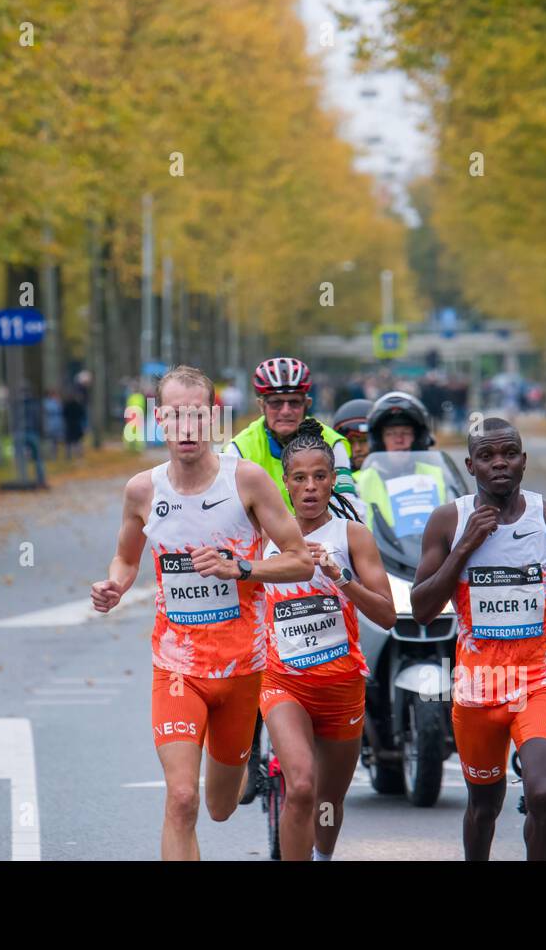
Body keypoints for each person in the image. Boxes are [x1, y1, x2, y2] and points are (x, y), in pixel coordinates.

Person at [90, 365, 314, 861]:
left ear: (213, 418)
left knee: (220, 804)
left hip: (243, 669)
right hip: (176, 668)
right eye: (174, 416)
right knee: (182, 798)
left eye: (196, 415)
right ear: (159, 420)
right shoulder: (142, 491)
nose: (186, 428)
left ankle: (236, 775)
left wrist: (244, 568)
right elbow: (126, 557)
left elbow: (299, 560)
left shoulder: (248, 481)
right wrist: (115, 586)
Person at [411, 418, 546, 860]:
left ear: (524, 461)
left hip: (538, 680)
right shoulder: (449, 521)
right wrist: (465, 546)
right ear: (471, 465)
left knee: (543, 794)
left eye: (508, 453)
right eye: (487, 456)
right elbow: (422, 609)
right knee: (484, 805)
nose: (499, 463)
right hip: (478, 689)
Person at [260, 419, 395, 860]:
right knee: (300, 784)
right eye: (300, 478)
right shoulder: (264, 539)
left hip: (341, 687)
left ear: (334, 479)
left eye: (320, 476)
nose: (311, 487)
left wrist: (342, 577)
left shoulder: (352, 536)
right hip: (284, 683)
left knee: (326, 801)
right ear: (285, 482)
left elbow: (387, 614)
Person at [225, 356, 356, 513]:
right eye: (276, 403)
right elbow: (231, 513)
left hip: (323, 535)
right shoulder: (239, 449)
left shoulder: (333, 443)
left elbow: (348, 505)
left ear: (307, 404)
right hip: (266, 536)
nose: (286, 411)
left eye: (294, 402)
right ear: (261, 406)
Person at [355, 391, 446, 530]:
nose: (399, 440)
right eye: (390, 434)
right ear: (379, 441)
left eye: (405, 433)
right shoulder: (362, 481)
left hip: (432, 549)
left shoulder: (437, 475)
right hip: (377, 551)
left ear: (417, 439)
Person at [63, 389, 86, 460]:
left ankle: (68, 456)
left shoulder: (67, 405)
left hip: (69, 425)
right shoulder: (78, 405)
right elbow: (82, 414)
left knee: (68, 441)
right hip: (77, 425)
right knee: (78, 441)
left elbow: (64, 414)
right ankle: (79, 455)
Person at [43, 389, 66, 462]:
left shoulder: (57, 402)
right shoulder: (47, 402)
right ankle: (50, 455)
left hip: (57, 423)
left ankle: (55, 456)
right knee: (50, 440)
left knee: (55, 441)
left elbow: (61, 411)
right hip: (50, 423)